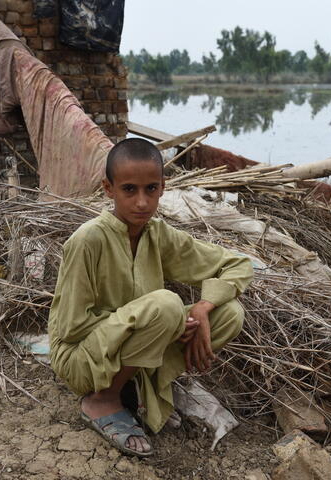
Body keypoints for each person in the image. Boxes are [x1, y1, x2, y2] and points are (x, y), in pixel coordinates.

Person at [48, 138, 254, 457]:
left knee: (229, 313)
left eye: (151, 189)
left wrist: (201, 308)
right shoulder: (87, 241)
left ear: (162, 187)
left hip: (130, 347)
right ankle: (102, 400)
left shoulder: (158, 235)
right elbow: (72, 328)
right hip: (80, 359)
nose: (142, 202)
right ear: (108, 188)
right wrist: (157, 322)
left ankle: (142, 384)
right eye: (129, 189)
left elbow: (237, 264)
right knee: (167, 306)